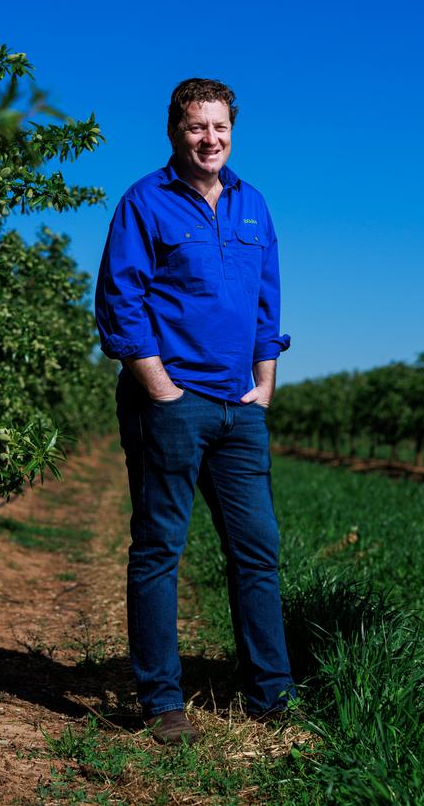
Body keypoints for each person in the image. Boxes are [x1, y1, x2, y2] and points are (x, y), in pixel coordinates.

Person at [95, 78, 296, 745]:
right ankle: (161, 700)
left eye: (219, 127)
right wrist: (159, 387)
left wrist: (264, 384)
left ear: (231, 130)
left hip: (240, 410)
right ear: (174, 132)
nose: (209, 139)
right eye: (195, 127)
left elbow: (268, 304)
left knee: (257, 549)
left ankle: (271, 694)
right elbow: (119, 301)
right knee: (159, 550)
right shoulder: (145, 202)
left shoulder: (253, 205)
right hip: (173, 403)